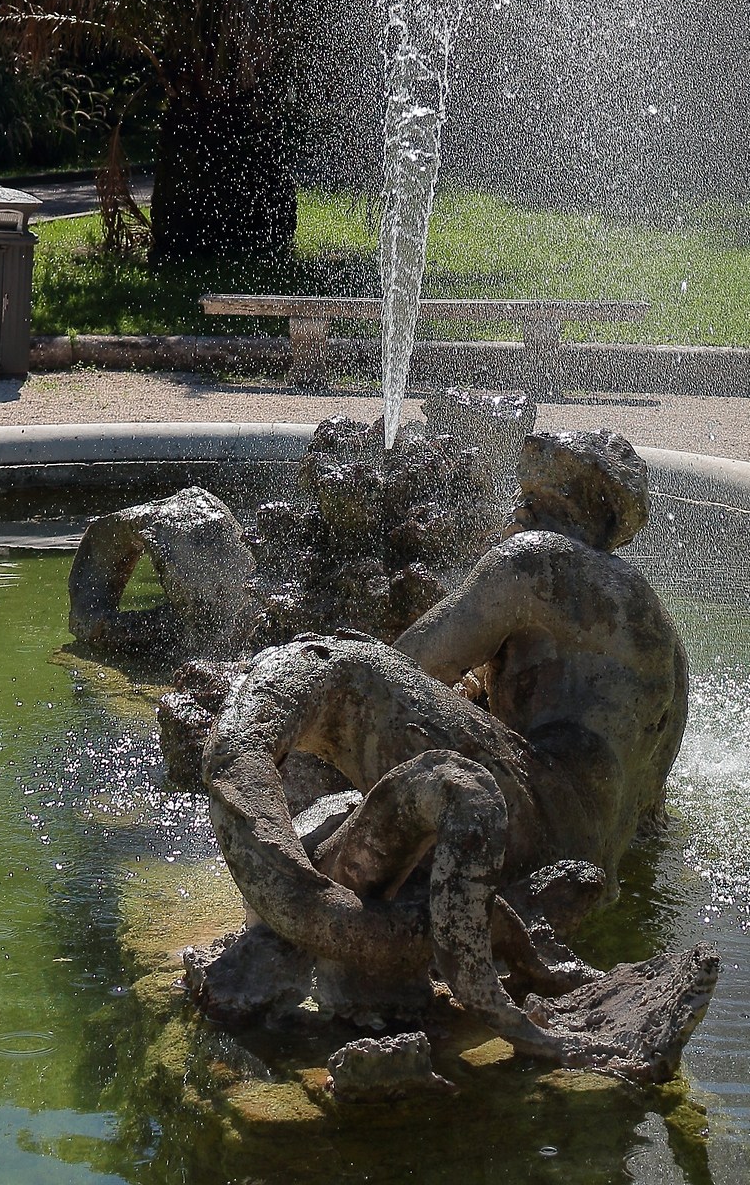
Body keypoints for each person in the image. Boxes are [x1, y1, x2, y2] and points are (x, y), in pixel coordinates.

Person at [200, 430, 687, 1046]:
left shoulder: (536, 559)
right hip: (586, 856)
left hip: (533, 826)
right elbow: (649, 808)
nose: (514, 512)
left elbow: (409, 665)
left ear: (551, 499)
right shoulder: (661, 632)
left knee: (344, 668)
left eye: (527, 497)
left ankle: (285, 878)